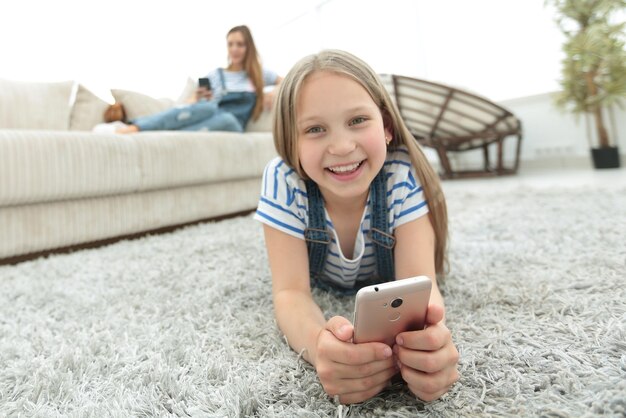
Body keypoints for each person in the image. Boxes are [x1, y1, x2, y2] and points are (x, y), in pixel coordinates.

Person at [254, 50, 459, 405]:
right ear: (292, 142)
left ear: (387, 126)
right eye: (315, 129)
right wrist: (321, 347)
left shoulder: (401, 175)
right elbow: (290, 293)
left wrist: (429, 345)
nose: (342, 146)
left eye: (358, 121)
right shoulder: (282, 180)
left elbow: (420, 283)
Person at [115, 25, 282, 134]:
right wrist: (198, 97)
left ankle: (168, 134)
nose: (234, 49)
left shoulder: (258, 74)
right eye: (230, 44)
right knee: (206, 108)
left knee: (225, 118)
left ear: (248, 47)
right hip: (211, 110)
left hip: (233, 121)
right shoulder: (216, 74)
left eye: (240, 44)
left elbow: (287, 80)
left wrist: (273, 92)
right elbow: (194, 102)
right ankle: (136, 127)